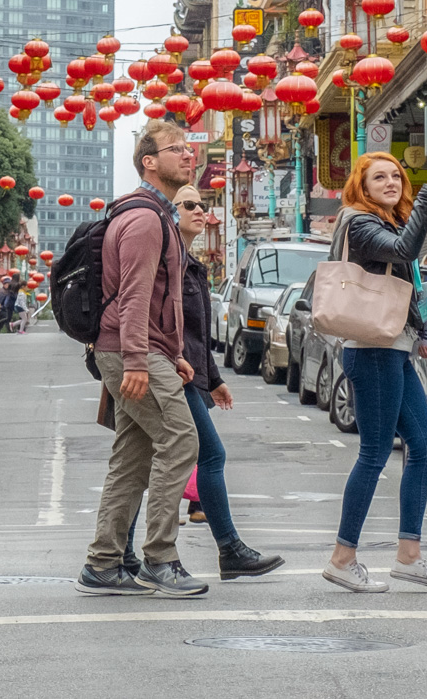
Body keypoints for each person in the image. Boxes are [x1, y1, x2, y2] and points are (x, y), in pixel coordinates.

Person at [120, 184, 284, 579]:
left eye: (203, 205)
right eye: (189, 204)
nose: (200, 211)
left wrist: (214, 379)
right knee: (207, 454)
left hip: (183, 373)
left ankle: (122, 553)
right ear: (170, 213)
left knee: (138, 462)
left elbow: (192, 334)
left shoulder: (188, 263)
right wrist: (142, 362)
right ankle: (226, 549)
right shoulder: (164, 260)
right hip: (162, 371)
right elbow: (156, 322)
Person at [78, 119, 204, 598]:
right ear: (149, 162)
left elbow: (157, 298)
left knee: (132, 459)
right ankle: (159, 558)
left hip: (145, 351)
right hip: (131, 352)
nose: (188, 155)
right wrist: (137, 360)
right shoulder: (146, 219)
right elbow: (132, 297)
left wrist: (172, 354)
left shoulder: (155, 215)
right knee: (180, 439)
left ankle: (103, 564)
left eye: (189, 148)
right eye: (176, 150)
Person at [323, 153, 427, 594]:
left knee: (425, 445)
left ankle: (409, 557)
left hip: (394, 348)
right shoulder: (359, 223)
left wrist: (424, 330)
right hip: (373, 350)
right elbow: (405, 252)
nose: (391, 182)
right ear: (361, 185)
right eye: (379, 177)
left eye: (396, 176)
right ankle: (343, 558)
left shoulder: (383, 222)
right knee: (375, 453)